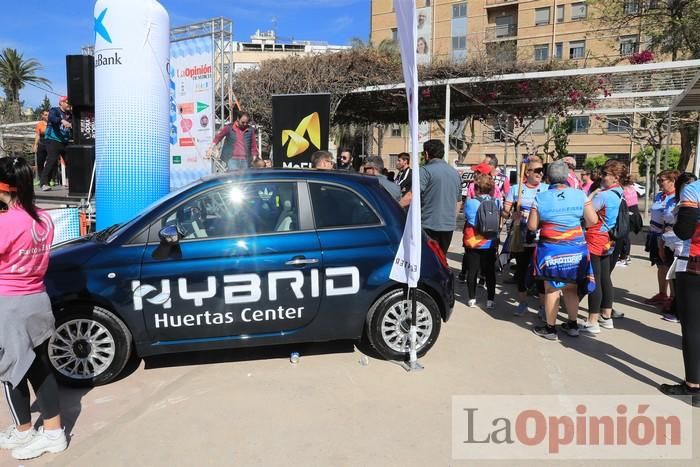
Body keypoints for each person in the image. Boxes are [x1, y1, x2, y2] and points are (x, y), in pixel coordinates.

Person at [0, 157, 67, 459]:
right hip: (38, 299)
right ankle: (49, 431)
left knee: (11, 371)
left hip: (10, 305)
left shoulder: (7, 222)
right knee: (39, 367)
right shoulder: (43, 218)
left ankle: (28, 431)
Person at [528, 161, 598, 340]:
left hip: (550, 249)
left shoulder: (541, 197)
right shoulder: (580, 194)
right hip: (576, 248)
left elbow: (532, 225)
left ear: (548, 177)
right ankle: (572, 325)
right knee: (571, 288)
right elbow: (592, 221)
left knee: (551, 289)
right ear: (567, 176)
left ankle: (550, 329)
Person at [659, 177, 700, 407]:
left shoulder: (693, 190)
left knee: (693, 327)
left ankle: (693, 386)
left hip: (694, 264)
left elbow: (684, 231)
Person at [579, 159, 628, 334]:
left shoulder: (604, 195)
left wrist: (590, 197)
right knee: (605, 277)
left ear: (616, 177)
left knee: (594, 279)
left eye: (605, 174)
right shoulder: (619, 192)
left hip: (595, 237)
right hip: (608, 239)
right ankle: (606, 315)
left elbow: (586, 213)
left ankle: (592, 320)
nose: (602, 177)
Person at [502, 158, 549, 316]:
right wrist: (511, 214)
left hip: (541, 237)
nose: (540, 173)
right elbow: (504, 212)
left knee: (540, 274)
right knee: (521, 271)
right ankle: (522, 303)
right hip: (521, 235)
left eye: (541, 170)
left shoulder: (547, 189)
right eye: (536, 170)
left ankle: (543, 307)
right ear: (527, 172)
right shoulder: (516, 189)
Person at [400, 139, 462, 256]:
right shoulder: (455, 173)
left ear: (427, 154)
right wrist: (451, 218)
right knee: (441, 259)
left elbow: (411, 196)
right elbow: (458, 201)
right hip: (448, 226)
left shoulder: (425, 171)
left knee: (426, 261)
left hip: (428, 225)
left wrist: (393, 206)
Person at [660, 173, 697, 323]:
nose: (690, 188)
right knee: (675, 279)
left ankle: (680, 311)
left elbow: (684, 230)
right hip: (673, 244)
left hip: (687, 248)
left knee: (683, 281)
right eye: (686, 185)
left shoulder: (689, 201)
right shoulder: (675, 201)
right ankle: (676, 307)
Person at [461, 175, 499, 309]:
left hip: (473, 241)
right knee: (489, 272)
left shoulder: (470, 202)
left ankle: (471, 299)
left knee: (472, 271)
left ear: (476, 188)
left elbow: (469, 220)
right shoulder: (496, 202)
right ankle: (490, 300)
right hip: (490, 241)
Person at [645, 170, 680, 307]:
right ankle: (662, 294)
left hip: (668, 237)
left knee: (670, 267)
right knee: (660, 266)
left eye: (662, 180)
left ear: (673, 181)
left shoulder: (676, 198)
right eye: (658, 180)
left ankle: (673, 298)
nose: (659, 183)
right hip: (655, 234)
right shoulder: (659, 196)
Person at [40, 96, 71, 192]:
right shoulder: (55, 110)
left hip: (64, 141)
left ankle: (71, 182)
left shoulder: (71, 114)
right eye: (66, 102)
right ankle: (44, 183)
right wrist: (61, 120)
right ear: (61, 103)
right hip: (53, 139)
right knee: (52, 160)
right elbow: (52, 118)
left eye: (69, 102)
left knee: (70, 161)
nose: (68, 104)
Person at [611, 178, 640, 269]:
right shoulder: (631, 187)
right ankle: (625, 256)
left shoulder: (624, 189)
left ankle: (625, 257)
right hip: (634, 212)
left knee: (624, 235)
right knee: (625, 235)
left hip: (629, 212)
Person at [32, 111, 49, 183]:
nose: (47, 116)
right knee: (40, 161)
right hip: (42, 143)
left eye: (48, 115)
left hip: (51, 142)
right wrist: (35, 145)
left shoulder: (52, 123)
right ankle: (41, 179)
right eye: (45, 115)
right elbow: (38, 135)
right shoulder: (39, 124)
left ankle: (52, 179)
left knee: (52, 161)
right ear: (42, 116)